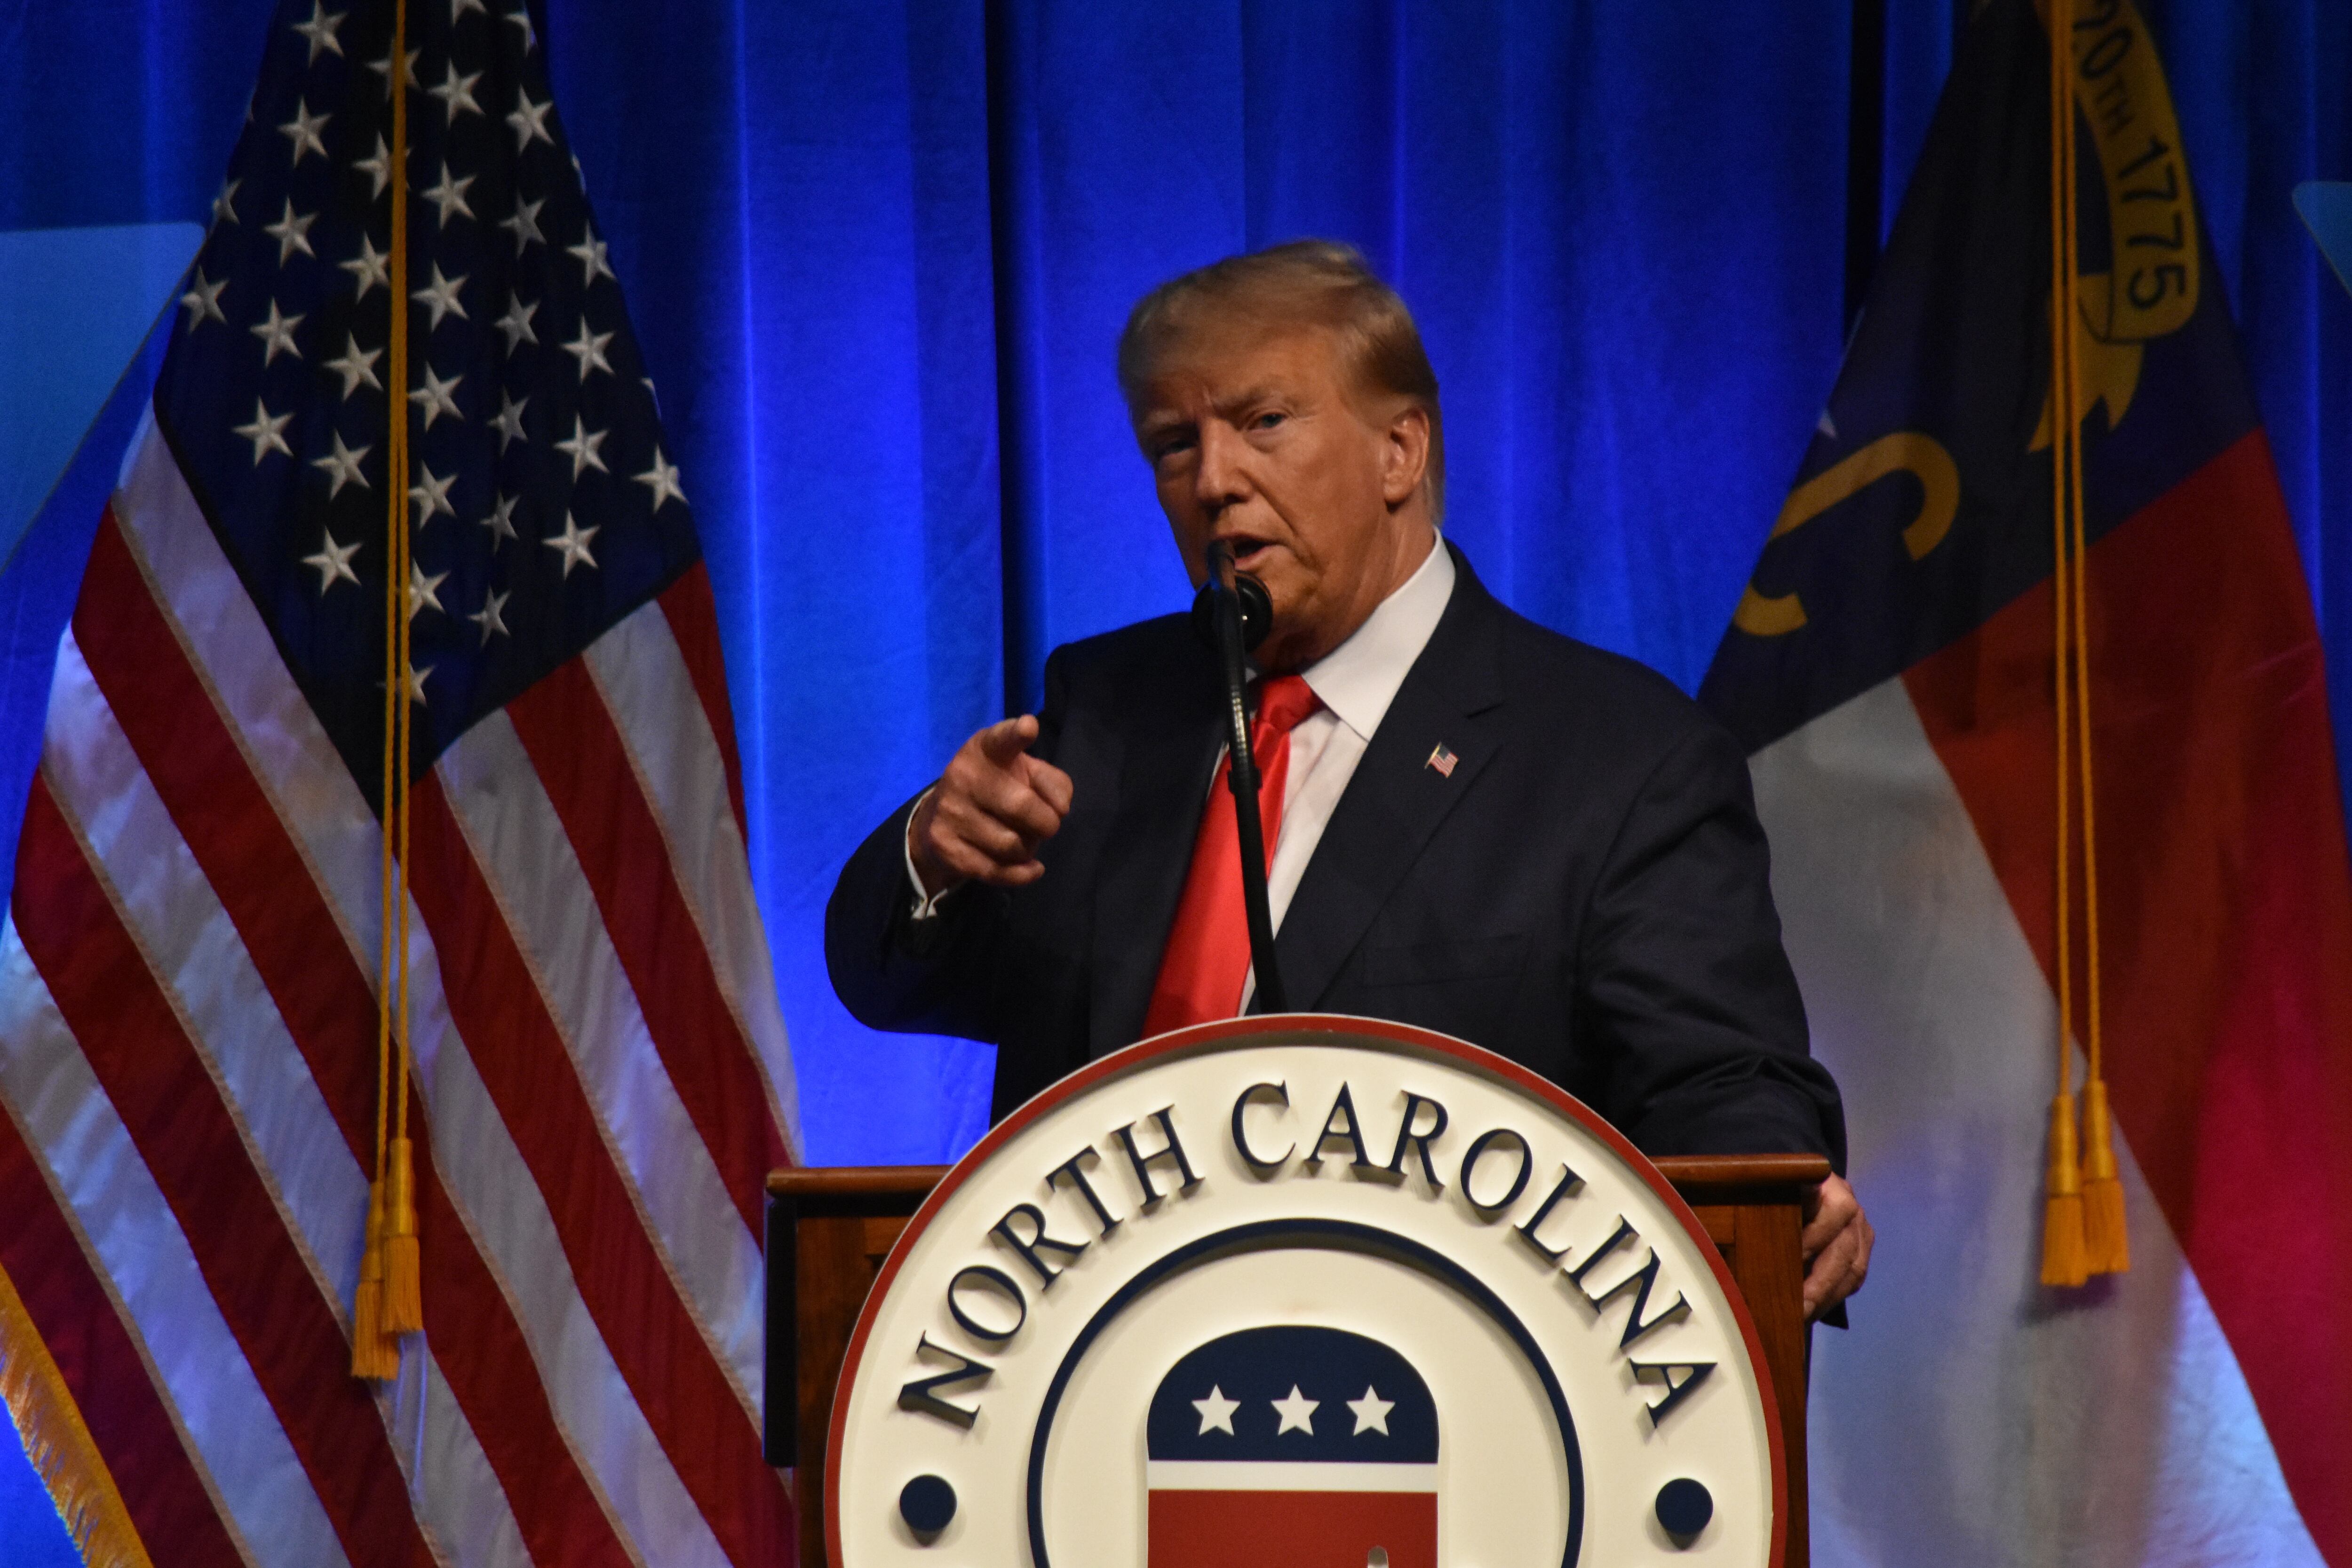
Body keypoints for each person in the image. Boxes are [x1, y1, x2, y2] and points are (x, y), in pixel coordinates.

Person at [826, 240, 1871, 1318]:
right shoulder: (1106, 705)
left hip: (1436, 1389)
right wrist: (933, 850)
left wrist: (1777, 1189)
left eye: (1263, 422)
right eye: (1173, 443)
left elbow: (1714, 1083)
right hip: (1085, 1370)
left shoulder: (1617, 756)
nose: (1213, 479)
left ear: (1398, 451)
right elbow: (889, 980)